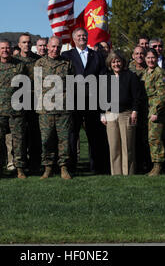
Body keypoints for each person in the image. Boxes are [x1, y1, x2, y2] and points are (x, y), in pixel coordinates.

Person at [62, 27, 109, 174]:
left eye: (84, 35)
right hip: (74, 101)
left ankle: (96, 168)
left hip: (93, 102)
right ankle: (71, 168)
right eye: (79, 36)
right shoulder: (66, 55)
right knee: (72, 136)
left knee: (94, 136)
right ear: (74, 39)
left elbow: (103, 78)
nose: (82, 38)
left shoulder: (97, 56)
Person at [0, 39, 28, 179]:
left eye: (7, 48)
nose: (5, 50)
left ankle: (20, 168)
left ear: (11, 49)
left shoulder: (19, 66)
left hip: (16, 110)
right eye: (2, 48)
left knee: (18, 140)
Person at [34, 36, 73, 179]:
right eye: (53, 46)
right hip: (45, 109)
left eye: (58, 47)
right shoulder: (39, 63)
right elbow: (36, 86)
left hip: (63, 108)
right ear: (48, 47)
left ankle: (63, 168)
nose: (55, 49)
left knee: (64, 140)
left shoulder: (67, 63)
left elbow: (72, 83)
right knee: (46, 139)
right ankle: (48, 168)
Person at [101, 51, 142, 175]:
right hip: (110, 114)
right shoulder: (106, 77)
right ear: (110, 63)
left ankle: (128, 172)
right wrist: (102, 114)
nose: (116, 64)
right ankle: (116, 173)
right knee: (114, 146)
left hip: (126, 114)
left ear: (123, 62)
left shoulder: (130, 76)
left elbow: (137, 96)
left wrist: (135, 111)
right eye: (113, 62)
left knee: (127, 145)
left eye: (118, 61)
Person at [15, 33, 42, 173]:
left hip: (35, 102)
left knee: (35, 134)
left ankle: (35, 164)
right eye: (24, 42)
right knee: (20, 135)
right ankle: (20, 164)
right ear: (19, 45)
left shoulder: (38, 60)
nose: (27, 44)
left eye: (28, 42)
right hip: (18, 102)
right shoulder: (14, 61)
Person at [143, 48, 165, 176]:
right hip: (148, 109)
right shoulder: (146, 72)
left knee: (155, 139)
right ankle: (153, 164)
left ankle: (158, 165)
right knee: (151, 138)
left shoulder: (160, 73)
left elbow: (162, 96)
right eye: (148, 58)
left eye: (153, 57)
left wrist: (155, 111)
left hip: (157, 111)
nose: (150, 60)